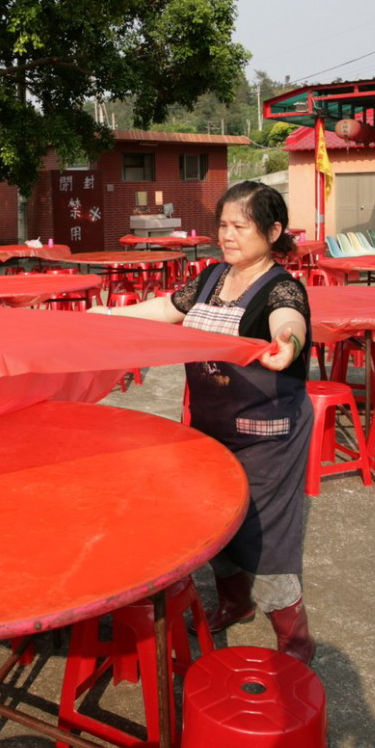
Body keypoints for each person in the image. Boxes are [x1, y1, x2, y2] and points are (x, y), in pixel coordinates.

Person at [102, 180, 316, 664]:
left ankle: (294, 631)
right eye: (223, 224)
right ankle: (235, 603)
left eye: (241, 226)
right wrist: (108, 315)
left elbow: (291, 320)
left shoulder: (282, 286)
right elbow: (167, 308)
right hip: (211, 422)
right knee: (210, 517)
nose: (228, 235)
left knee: (265, 532)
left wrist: (289, 344)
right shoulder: (213, 276)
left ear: (273, 230)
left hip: (267, 434)